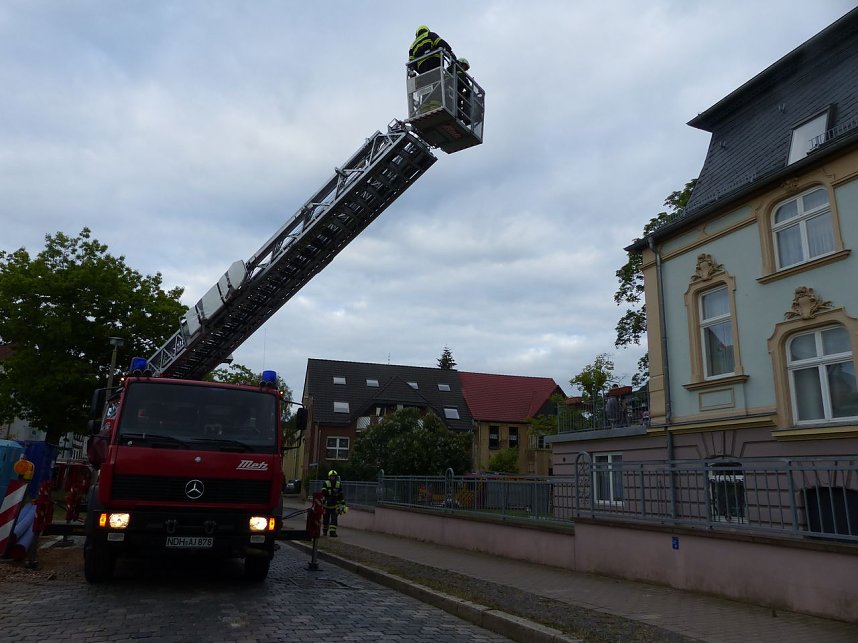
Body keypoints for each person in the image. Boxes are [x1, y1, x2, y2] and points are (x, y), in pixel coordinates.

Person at [321, 469, 345, 537]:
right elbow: (323, 492)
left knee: (334, 520)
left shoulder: (338, 484)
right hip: (326, 505)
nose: (333, 478)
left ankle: (332, 532)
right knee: (326, 520)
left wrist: (343, 504)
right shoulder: (326, 483)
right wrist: (331, 492)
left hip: (335, 505)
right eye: (332, 476)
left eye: (334, 476)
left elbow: (340, 495)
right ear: (329, 477)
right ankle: (325, 532)